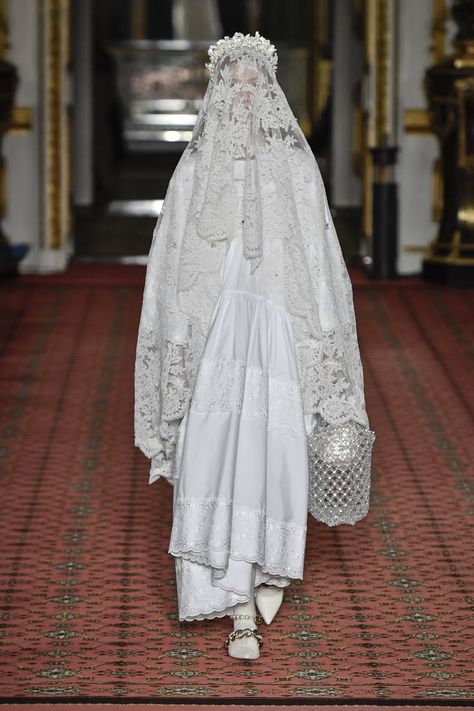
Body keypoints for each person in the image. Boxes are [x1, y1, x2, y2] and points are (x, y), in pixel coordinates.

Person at [134, 32, 375, 660]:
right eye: (231, 83)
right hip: (217, 338)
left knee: (276, 452)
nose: (242, 95)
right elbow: (171, 271)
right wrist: (179, 345)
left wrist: (323, 338)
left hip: (276, 333)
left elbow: (320, 263)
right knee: (215, 451)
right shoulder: (194, 170)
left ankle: (268, 570)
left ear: (268, 91)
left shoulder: (296, 168)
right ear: (216, 91)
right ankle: (232, 599)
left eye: (253, 83)